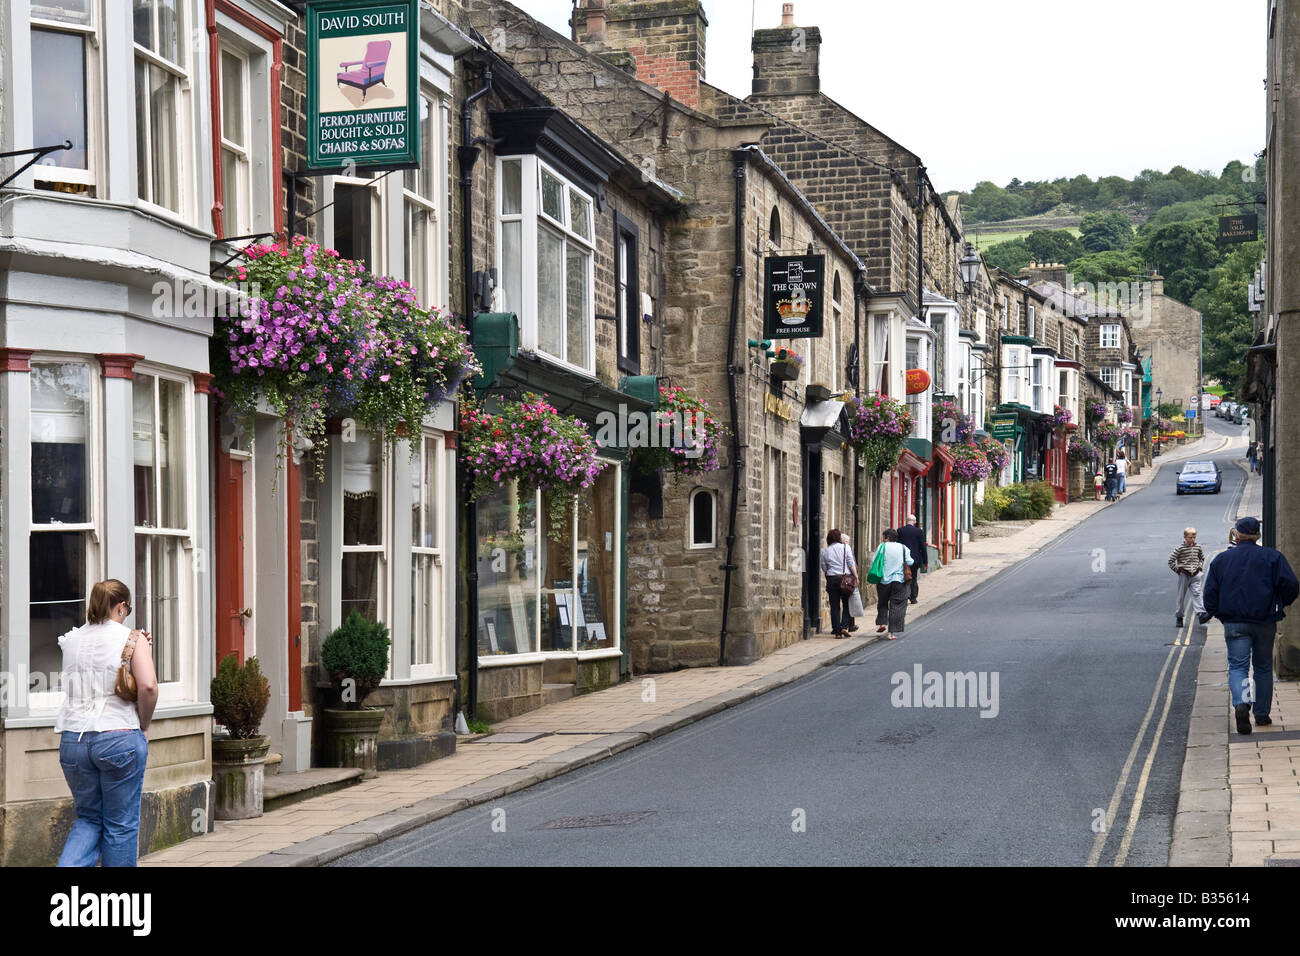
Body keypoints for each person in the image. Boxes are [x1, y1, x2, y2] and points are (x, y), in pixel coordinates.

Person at [54, 580, 158, 866]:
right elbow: (148, 686)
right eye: (128, 609)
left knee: (89, 818)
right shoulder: (132, 639)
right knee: (120, 824)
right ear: (122, 606)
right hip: (118, 736)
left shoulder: (71, 639)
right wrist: (144, 725)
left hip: (73, 740)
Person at [1203, 517, 1300, 735]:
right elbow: (1292, 585)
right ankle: (1262, 714)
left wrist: (1218, 613)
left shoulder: (1222, 560)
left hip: (1234, 622)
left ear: (1236, 535)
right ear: (1258, 536)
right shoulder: (1272, 557)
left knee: (1238, 667)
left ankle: (1241, 704)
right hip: (1265, 620)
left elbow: (1209, 594)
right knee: (1263, 666)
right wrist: (1279, 603)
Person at [872, 528, 914, 641]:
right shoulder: (903, 548)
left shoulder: (882, 547)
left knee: (882, 602)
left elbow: (873, 561)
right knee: (898, 605)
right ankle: (891, 633)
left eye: (883, 537)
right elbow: (910, 562)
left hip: (883, 580)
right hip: (899, 580)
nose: (883, 539)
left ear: (887, 538)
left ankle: (882, 623)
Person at [819, 529, 857, 638]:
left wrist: (830, 571)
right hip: (845, 578)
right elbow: (851, 563)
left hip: (832, 578)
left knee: (834, 606)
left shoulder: (825, 551)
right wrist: (856, 576)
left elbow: (824, 567)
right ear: (839, 538)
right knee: (846, 604)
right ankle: (844, 626)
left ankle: (837, 631)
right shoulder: (846, 548)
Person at [1168, 526, 1206, 628]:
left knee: (1197, 593)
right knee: (1181, 596)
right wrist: (1178, 570)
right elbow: (1170, 561)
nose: (1192, 539)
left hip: (1195, 574)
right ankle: (1179, 617)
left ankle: (1201, 613)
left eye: (1194, 537)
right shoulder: (1180, 548)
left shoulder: (1198, 547)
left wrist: (1200, 567)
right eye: (1190, 537)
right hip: (1184, 574)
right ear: (1185, 537)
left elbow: (1202, 558)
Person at [896, 514, 928, 605]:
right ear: (914, 522)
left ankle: (904, 597)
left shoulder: (900, 531)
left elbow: (898, 545)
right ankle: (913, 598)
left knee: (903, 578)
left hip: (903, 560)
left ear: (906, 521)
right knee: (913, 578)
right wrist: (925, 561)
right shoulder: (919, 531)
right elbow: (923, 547)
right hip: (915, 559)